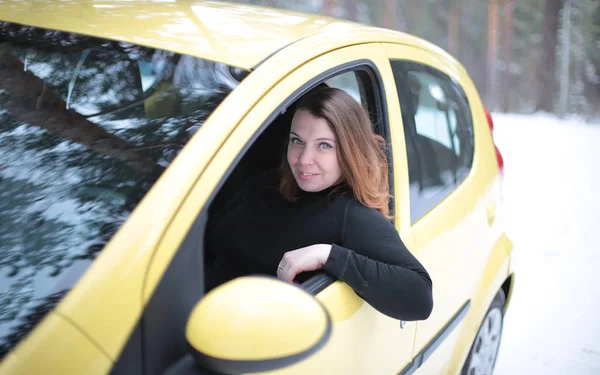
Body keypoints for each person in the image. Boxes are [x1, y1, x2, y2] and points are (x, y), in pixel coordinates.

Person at [205, 87, 433, 321]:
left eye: (324, 145)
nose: (304, 159)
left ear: (349, 151)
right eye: (297, 141)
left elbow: (420, 297)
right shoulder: (271, 184)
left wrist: (328, 255)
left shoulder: (352, 216)